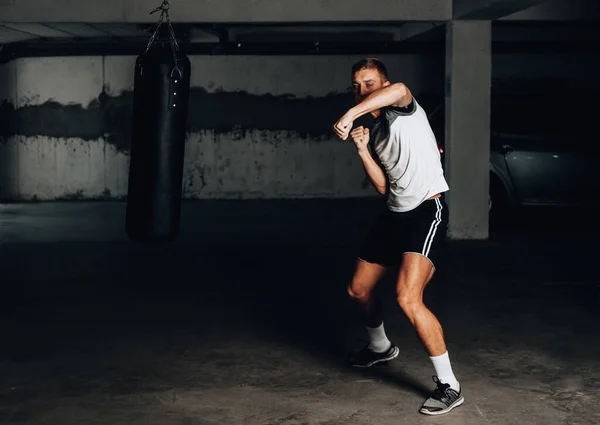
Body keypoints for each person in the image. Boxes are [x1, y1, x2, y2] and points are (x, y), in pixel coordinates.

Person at [332, 58, 463, 416]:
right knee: (358, 290)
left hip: (425, 211)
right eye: (357, 86)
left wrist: (350, 113)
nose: (363, 90)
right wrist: (361, 150)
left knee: (408, 297)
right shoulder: (375, 134)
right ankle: (380, 348)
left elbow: (401, 90)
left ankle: (450, 385)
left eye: (370, 84)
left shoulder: (405, 109)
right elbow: (383, 186)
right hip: (393, 214)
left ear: (384, 84)